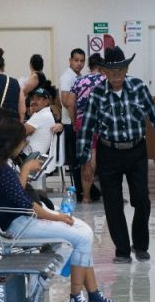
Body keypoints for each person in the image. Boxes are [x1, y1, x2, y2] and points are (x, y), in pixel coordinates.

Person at [0, 118, 123, 302]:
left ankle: (93, 295)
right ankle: (77, 299)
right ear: (14, 142)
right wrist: (56, 217)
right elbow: (25, 204)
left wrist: (55, 216)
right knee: (82, 237)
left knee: (84, 230)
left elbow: (21, 200)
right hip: (19, 226)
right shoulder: (3, 170)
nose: (25, 144)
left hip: (20, 222)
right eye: (23, 140)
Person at [77, 47, 155, 263]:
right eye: (112, 72)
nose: (116, 76)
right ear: (104, 72)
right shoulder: (97, 94)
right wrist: (86, 161)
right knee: (112, 203)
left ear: (127, 69)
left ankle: (139, 245)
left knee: (142, 200)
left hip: (136, 151)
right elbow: (87, 127)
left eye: (120, 71)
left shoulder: (139, 88)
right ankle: (122, 250)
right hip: (108, 152)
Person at [70, 53, 106, 203]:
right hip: (102, 122)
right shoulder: (105, 80)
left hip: (82, 121)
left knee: (87, 159)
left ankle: (86, 196)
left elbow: (71, 103)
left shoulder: (79, 81)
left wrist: (74, 122)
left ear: (89, 66)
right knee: (106, 159)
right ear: (102, 66)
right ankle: (111, 194)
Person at [59, 48, 85, 197]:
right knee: (75, 160)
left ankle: (84, 188)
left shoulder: (79, 77)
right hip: (70, 123)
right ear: (70, 61)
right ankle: (79, 190)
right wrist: (74, 122)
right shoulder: (67, 77)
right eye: (76, 60)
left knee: (79, 158)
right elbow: (66, 101)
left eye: (82, 61)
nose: (79, 63)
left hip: (77, 123)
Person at [24, 84, 63, 158]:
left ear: (46, 101)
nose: (33, 102)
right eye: (32, 99)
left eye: (38, 99)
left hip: (30, 157)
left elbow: (19, 132)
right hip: (31, 155)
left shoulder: (42, 115)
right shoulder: (42, 113)